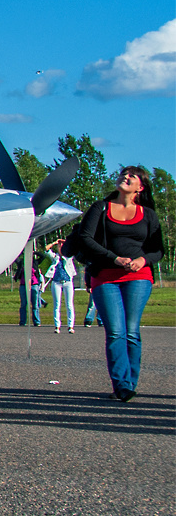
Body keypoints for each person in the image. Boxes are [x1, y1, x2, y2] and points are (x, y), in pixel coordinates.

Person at [75, 165, 164, 402]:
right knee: (115, 332)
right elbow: (85, 238)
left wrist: (142, 260)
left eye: (132, 176)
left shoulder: (149, 214)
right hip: (105, 277)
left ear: (140, 187)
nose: (125, 177)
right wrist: (114, 258)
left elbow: (158, 250)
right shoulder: (100, 208)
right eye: (123, 174)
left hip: (138, 277)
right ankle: (121, 385)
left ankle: (129, 383)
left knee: (132, 331)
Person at [47, 239, 77, 333]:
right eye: (59, 246)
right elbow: (46, 249)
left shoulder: (69, 256)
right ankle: (57, 326)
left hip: (68, 281)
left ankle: (70, 326)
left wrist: (65, 241)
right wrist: (54, 242)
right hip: (56, 282)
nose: (60, 247)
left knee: (69, 304)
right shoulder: (55, 257)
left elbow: (75, 246)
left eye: (61, 246)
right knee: (57, 304)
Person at [12, 250, 46, 327]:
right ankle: (22, 321)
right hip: (24, 285)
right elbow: (15, 257)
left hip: (34, 285)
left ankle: (36, 321)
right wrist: (21, 250)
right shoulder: (21, 263)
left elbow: (43, 256)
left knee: (35, 304)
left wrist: (35, 252)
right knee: (23, 304)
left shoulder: (35, 263)